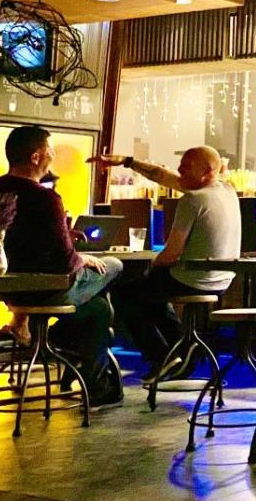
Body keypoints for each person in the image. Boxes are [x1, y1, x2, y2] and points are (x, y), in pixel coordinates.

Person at [0, 125, 124, 404]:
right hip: (49, 289)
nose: (53, 156)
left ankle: (35, 328)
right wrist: (84, 258)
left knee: (98, 308)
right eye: (50, 151)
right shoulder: (46, 198)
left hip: (8, 287)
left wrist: (65, 237)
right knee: (114, 266)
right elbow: (66, 262)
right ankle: (85, 370)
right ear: (36, 157)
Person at [90, 147, 240, 378]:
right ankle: (183, 351)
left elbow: (171, 253)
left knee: (125, 293)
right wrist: (127, 161)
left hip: (192, 278)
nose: (179, 170)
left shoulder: (192, 199)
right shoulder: (227, 191)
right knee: (151, 292)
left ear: (208, 171)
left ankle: (160, 356)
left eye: (186, 167)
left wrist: (152, 267)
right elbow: (162, 175)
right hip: (222, 280)